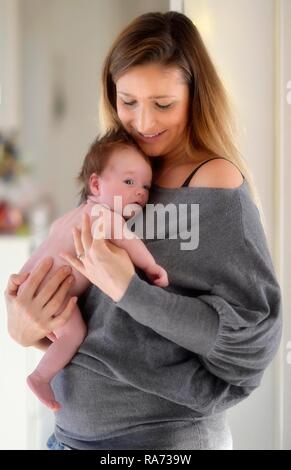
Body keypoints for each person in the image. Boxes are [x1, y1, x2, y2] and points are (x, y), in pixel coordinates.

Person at [5, 11, 282, 450]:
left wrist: (129, 288)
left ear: (196, 95)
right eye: (128, 100)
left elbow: (253, 339)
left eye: (163, 104)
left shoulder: (213, 182)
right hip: (66, 438)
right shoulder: (118, 170)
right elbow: (96, 324)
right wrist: (24, 328)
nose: (144, 122)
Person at [17, 130, 168, 411]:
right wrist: (151, 265)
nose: (139, 191)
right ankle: (41, 376)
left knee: (61, 331)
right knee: (74, 333)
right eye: (129, 181)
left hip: (31, 281)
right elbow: (128, 240)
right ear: (96, 185)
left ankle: (51, 347)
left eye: (146, 187)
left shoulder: (67, 218)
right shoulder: (103, 215)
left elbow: (44, 247)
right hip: (54, 292)